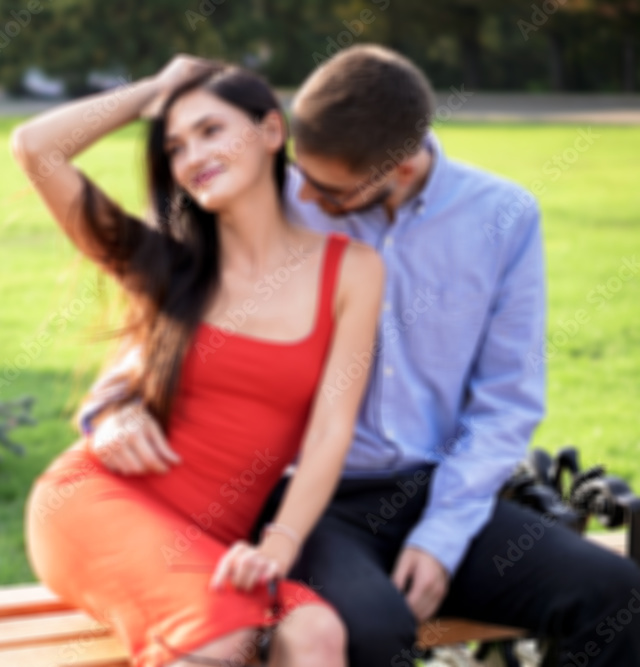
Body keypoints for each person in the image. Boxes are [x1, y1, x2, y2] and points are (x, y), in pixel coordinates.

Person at [78, 46, 640, 666]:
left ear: (397, 169)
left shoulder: (502, 217)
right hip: (305, 502)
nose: (307, 197)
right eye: (302, 174)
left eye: (329, 189)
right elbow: (180, 295)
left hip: (437, 489)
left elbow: (507, 398)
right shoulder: (277, 197)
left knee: (619, 597)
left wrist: (443, 536)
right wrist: (114, 402)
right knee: (372, 629)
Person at [12, 58, 385, 666]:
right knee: (222, 636)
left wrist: (279, 545)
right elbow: (34, 147)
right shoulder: (161, 266)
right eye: (176, 146)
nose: (192, 156)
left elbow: (330, 429)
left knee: (316, 634)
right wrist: (155, 91)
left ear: (271, 132)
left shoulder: (352, 270)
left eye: (211, 130)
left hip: (213, 543)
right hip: (95, 503)